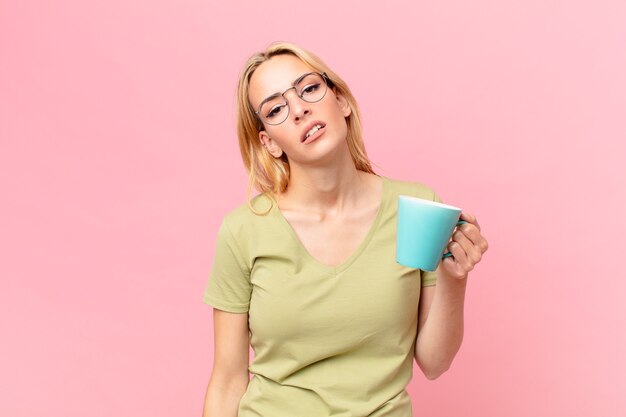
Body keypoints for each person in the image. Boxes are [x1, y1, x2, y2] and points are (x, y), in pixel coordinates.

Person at [202, 41, 489, 417]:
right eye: (276, 109)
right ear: (270, 143)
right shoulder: (243, 231)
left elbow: (435, 362)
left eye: (308, 89)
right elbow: (227, 381)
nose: (300, 109)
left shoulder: (415, 210)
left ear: (341, 101)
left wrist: (455, 278)